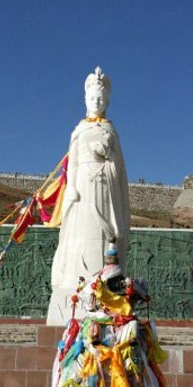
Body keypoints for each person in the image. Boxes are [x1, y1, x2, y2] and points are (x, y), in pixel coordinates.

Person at [49, 66, 131, 290]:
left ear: (107, 102)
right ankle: (78, 281)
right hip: (83, 185)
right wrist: (72, 188)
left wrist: (108, 154)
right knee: (82, 232)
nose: (97, 102)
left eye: (101, 99)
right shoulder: (79, 130)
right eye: (93, 98)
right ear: (86, 100)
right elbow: (73, 162)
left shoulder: (111, 131)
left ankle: (107, 282)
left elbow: (120, 166)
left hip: (106, 187)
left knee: (106, 233)